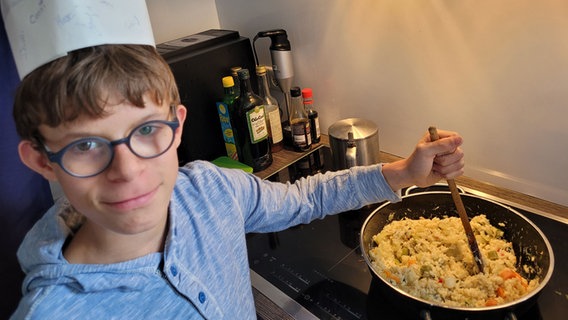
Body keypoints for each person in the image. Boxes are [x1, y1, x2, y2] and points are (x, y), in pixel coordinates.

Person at [8, 42, 464, 319]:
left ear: (178, 124)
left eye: (147, 130)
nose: (127, 172)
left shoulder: (210, 190)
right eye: (86, 146)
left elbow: (305, 197)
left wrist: (402, 173)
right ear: (42, 161)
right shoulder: (53, 313)